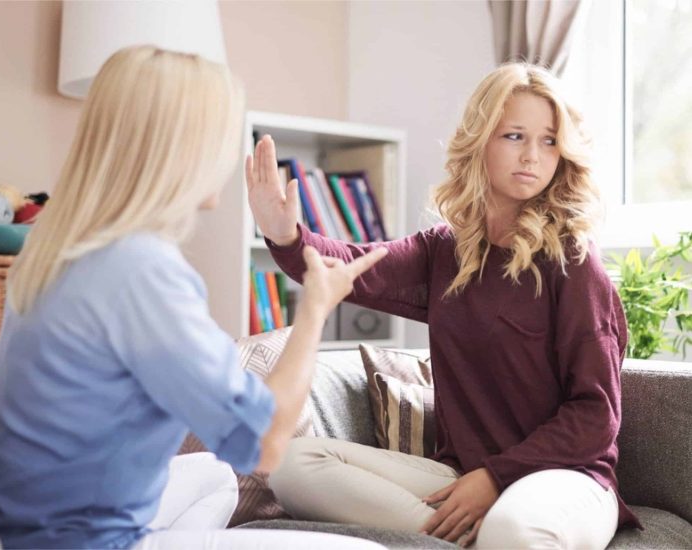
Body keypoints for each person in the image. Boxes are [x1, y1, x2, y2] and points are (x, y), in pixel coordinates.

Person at [0, 45, 388, 550]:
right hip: (94, 542)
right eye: (226, 138)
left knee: (213, 476)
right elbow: (264, 444)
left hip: (29, 531)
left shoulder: (53, 248)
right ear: (185, 149)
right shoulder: (142, 271)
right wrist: (315, 308)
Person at [247, 62, 643, 549]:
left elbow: (596, 417)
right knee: (293, 465)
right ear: (481, 140)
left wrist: (497, 476)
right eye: (515, 136)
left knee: (513, 530)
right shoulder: (444, 251)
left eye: (549, 141)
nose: (533, 156)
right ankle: (458, 537)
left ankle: (479, 534)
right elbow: (349, 268)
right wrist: (284, 234)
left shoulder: (575, 263)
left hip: (567, 478)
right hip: (463, 475)